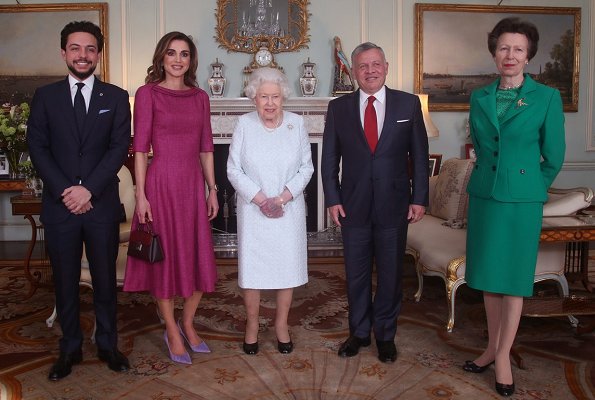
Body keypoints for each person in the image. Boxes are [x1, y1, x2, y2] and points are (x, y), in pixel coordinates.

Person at [462, 17, 565, 397]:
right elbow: (482, 146)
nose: (510, 55)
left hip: (521, 201)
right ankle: (490, 347)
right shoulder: (479, 96)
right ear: (494, 53)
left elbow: (553, 157)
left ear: (528, 56)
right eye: (503, 48)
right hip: (486, 195)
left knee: (514, 280)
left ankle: (503, 355)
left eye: (518, 49)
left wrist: (529, 186)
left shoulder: (546, 98)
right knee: (489, 277)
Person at [26, 21, 131, 380]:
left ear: (98, 55)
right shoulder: (45, 96)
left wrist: (89, 189)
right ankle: (69, 347)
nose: (82, 55)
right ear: (64, 53)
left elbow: (119, 148)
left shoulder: (116, 97)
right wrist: (66, 191)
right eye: (75, 48)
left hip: (100, 205)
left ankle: (107, 344)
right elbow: (37, 147)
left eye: (89, 49)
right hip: (61, 207)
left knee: (104, 281)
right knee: (65, 281)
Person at [321, 42, 429, 363]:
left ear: (386, 66)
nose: (370, 71)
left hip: (394, 204)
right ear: (353, 72)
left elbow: (420, 158)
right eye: (363, 66)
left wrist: (419, 198)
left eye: (375, 64)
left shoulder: (408, 105)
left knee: (390, 273)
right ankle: (358, 332)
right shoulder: (338, 108)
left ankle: (385, 334)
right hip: (352, 205)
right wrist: (332, 199)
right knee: (355, 273)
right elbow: (329, 159)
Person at [123, 32, 219, 365]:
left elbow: (207, 147)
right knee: (163, 262)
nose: (178, 60)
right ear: (161, 58)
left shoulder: (200, 97)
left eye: (184, 54)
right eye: (171, 53)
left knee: (197, 258)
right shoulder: (147, 94)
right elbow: (139, 149)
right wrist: (141, 194)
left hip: (192, 188)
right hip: (160, 186)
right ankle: (172, 329)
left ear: (191, 60)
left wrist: (213, 189)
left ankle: (188, 323)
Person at [227, 67, 314, 355]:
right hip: (254, 211)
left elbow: (307, 167)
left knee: (285, 268)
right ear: (254, 97)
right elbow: (233, 169)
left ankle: (281, 325)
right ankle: (252, 325)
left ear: (283, 98)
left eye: (275, 97)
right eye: (263, 96)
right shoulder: (243, 124)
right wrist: (261, 199)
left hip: (287, 210)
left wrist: (283, 198)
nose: (269, 103)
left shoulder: (296, 124)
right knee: (253, 270)